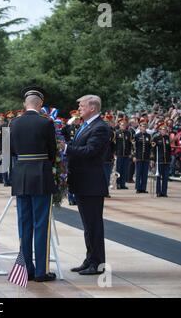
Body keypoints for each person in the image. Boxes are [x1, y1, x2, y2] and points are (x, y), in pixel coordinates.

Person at [10, 86, 57, 282]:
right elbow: (52, 153)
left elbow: (12, 150)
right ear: (41, 105)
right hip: (40, 175)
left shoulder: (14, 123)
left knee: (24, 223)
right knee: (41, 224)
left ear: (24, 104)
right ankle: (41, 272)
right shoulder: (46, 123)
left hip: (21, 174)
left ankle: (26, 268)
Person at [60, 95, 110, 275]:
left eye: (82, 106)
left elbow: (90, 151)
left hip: (92, 183)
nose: (79, 109)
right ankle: (90, 259)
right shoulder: (86, 125)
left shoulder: (100, 128)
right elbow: (77, 145)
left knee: (94, 225)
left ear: (93, 108)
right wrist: (65, 138)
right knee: (88, 225)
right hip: (83, 182)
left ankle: (97, 263)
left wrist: (65, 148)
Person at [151, 122, 171, 197]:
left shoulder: (167, 138)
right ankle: (158, 192)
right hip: (159, 160)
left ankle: (164, 192)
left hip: (167, 160)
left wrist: (169, 159)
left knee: (165, 177)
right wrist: (152, 159)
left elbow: (169, 149)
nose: (164, 131)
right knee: (158, 177)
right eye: (163, 129)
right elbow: (153, 150)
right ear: (159, 130)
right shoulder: (156, 138)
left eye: (165, 129)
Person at [133, 119, 151, 194]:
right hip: (139, 157)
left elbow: (150, 147)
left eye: (145, 126)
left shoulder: (149, 136)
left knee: (145, 173)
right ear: (140, 127)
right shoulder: (136, 136)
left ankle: (143, 188)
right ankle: (138, 188)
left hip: (146, 157)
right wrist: (134, 156)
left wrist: (151, 157)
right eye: (142, 126)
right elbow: (134, 147)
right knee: (138, 173)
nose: (143, 127)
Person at [115, 119, 132, 189]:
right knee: (118, 170)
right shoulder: (117, 133)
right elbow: (115, 144)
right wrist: (114, 153)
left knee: (125, 170)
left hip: (126, 154)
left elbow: (130, 144)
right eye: (122, 125)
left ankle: (123, 184)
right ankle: (118, 183)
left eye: (125, 125)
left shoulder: (128, 133)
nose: (123, 126)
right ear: (119, 125)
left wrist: (130, 153)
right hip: (119, 154)